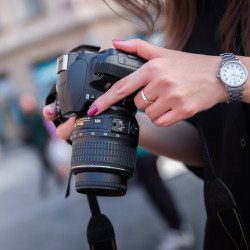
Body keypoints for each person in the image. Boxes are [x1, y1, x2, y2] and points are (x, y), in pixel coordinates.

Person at [43, 0, 250, 249]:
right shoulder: (189, 13)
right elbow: (211, 146)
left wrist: (225, 76)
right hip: (231, 232)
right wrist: (115, 117)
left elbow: (218, 80)